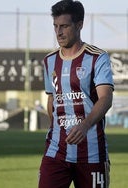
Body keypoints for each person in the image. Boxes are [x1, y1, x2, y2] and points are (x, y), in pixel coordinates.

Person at [38, 1, 114, 188]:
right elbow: (52, 98)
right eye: (55, 26)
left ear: (79, 25)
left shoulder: (98, 57)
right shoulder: (49, 61)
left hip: (92, 152)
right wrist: (55, 129)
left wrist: (84, 125)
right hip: (57, 150)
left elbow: (105, 98)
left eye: (64, 26)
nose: (59, 32)